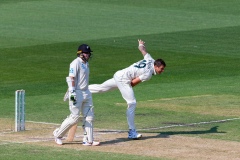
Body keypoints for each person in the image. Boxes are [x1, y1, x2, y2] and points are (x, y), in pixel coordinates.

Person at [89, 39, 166, 139]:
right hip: (123, 79)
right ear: (156, 66)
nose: (162, 71)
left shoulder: (150, 59)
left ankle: (79, 89)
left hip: (119, 74)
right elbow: (133, 83)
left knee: (101, 88)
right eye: (161, 69)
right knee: (132, 103)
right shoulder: (148, 74)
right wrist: (123, 88)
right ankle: (131, 131)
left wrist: (140, 44)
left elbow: (143, 50)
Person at [53, 44, 100, 146]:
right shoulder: (75, 63)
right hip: (77, 92)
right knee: (74, 117)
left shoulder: (86, 63)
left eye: (88, 53)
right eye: (86, 53)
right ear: (80, 53)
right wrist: (72, 92)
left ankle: (88, 140)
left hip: (86, 92)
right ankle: (58, 135)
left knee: (89, 116)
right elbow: (71, 78)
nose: (88, 55)